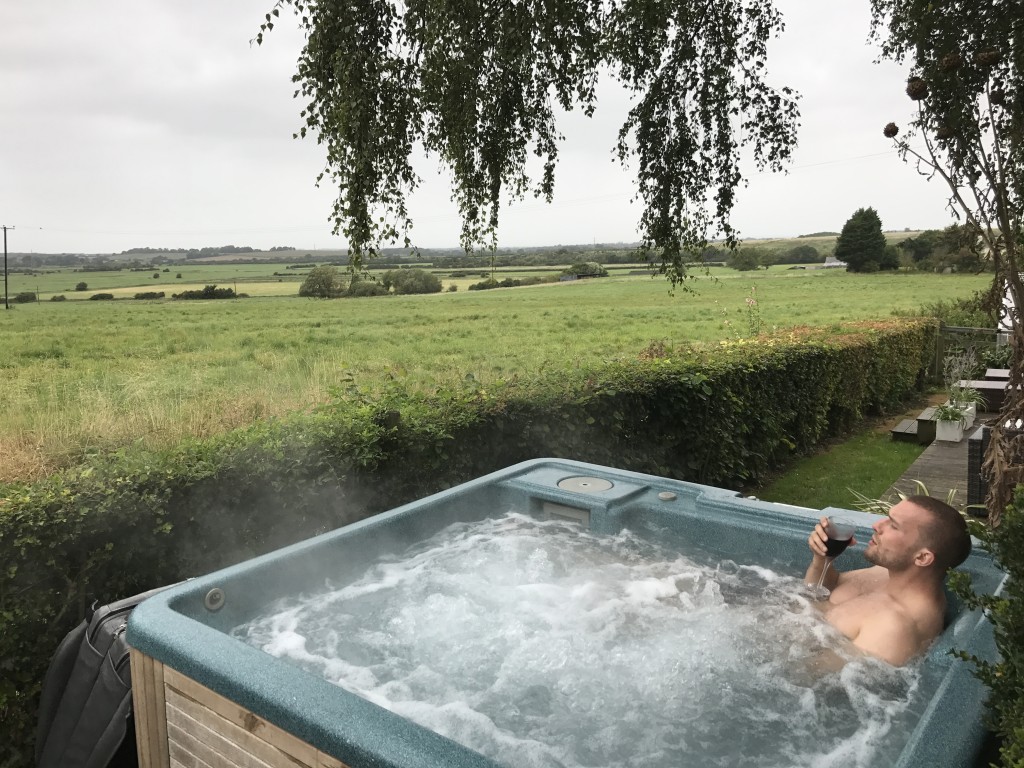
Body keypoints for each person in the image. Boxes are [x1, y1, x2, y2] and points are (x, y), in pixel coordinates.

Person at [804, 495, 972, 667]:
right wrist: (822, 560)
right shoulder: (887, 573)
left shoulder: (893, 631)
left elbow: (813, 674)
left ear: (922, 557)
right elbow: (821, 591)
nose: (876, 525)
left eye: (893, 525)